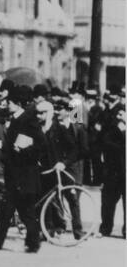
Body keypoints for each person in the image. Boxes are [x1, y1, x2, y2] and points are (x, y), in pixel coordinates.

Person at [0, 87, 52, 253]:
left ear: (18, 104)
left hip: (24, 175)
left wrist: (23, 151)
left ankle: (0, 242)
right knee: (22, 212)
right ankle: (31, 243)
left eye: (9, 102)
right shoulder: (18, 119)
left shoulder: (28, 120)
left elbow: (42, 145)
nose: (7, 104)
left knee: (15, 210)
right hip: (17, 174)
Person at [46, 98, 87, 239]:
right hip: (57, 167)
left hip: (73, 169)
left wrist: (67, 162)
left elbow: (83, 150)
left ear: (68, 111)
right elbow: (51, 148)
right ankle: (57, 228)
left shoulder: (78, 127)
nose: (57, 112)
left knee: (73, 200)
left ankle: (78, 231)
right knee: (55, 198)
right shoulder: (54, 127)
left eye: (60, 109)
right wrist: (57, 162)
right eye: (56, 109)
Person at [99, 102, 125, 238]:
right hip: (113, 170)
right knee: (108, 202)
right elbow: (105, 142)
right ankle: (105, 228)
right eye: (119, 114)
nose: (120, 117)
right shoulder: (112, 127)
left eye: (123, 114)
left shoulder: (75, 103)